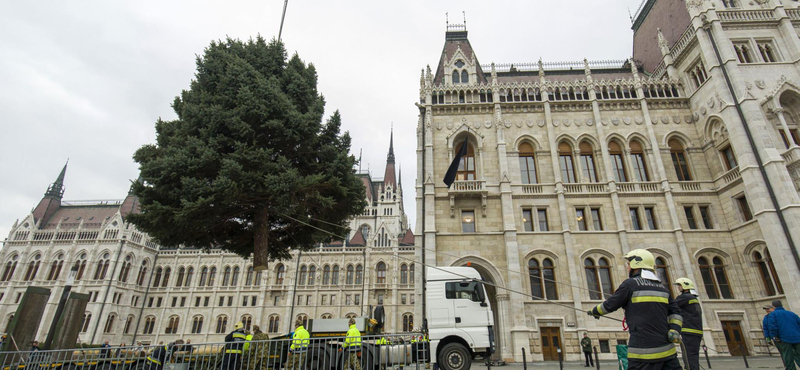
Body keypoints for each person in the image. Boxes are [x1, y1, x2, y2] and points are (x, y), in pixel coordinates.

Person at [588, 249, 682, 370]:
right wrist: (674, 329)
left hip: (642, 353)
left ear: (635, 265)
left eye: (628, 264)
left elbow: (610, 305)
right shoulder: (662, 288)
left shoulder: (630, 284)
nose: (627, 268)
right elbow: (676, 312)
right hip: (668, 353)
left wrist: (595, 311)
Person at [674, 278, 702, 370]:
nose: (678, 287)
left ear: (685, 286)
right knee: (693, 357)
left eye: (680, 285)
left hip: (688, 332)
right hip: (696, 332)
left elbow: (672, 305)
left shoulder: (684, 297)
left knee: (688, 357)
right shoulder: (693, 298)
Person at [766, 299, 800, 369]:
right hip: (797, 337)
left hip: (784, 338)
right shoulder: (791, 313)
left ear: (774, 306)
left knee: (788, 356)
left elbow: (772, 327)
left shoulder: (773, 314)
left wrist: (774, 337)